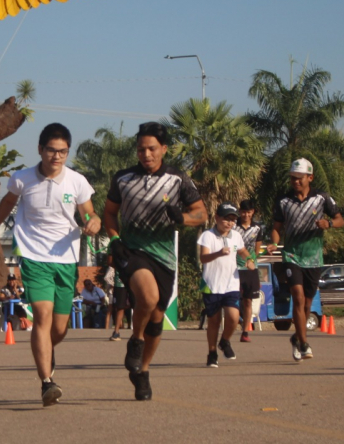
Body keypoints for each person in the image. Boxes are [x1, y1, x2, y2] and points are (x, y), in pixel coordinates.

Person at [0, 123, 99, 406]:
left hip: (67, 260)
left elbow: (89, 212)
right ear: (40, 150)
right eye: (51, 151)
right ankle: (47, 382)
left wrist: (93, 221)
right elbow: (7, 204)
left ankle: (47, 351)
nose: (56, 157)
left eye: (63, 152)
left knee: (59, 329)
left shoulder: (77, 181)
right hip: (34, 258)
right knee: (42, 318)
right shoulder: (22, 179)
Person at [104, 122, 207, 400]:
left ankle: (143, 371)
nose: (146, 154)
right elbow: (110, 214)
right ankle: (135, 340)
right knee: (147, 299)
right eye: (140, 149)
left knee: (158, 317)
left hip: (165, 256)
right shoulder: (123, 179)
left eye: (151, 149)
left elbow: (201, 215)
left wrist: (182, 218)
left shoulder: (178, 179)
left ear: (163, 149)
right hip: (133, 250)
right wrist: (114, 239)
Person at [267, 158, 344, 362]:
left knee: (308, 304)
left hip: (314, 257)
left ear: (310, 177)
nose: (295, 182)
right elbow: (277, 227)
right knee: (298, 298)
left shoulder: (321, 198)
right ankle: (304, 344)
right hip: (292, 256)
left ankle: (296, 338)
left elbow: (340, 220)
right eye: (292, 178)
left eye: (299, 178)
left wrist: (328, 223)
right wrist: (274, 242)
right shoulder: (283, 200)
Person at [199, 203, 257, 367]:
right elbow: (203, 258)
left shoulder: (236, 236)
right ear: (217, 218)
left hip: (231, 283)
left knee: (233, 317)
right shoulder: (207, 236)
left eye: (233, 220)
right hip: (211, 284)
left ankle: (224, 341)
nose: (230, 223)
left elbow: (242, 251)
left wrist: (249, 260)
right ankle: (212, 353)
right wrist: (218, 253)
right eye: (226, 219)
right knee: (214, 321)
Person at [234, 199, 263, 343]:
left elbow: (257, 251)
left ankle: (245, 331)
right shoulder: (233, 226)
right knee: (232, 298)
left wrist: (252, 260)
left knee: (248, 301)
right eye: (243, 212)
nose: (246, 214)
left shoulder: (257, 228)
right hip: (234, 268)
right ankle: (233, 323)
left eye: (249, 212)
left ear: (253, 212)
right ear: (240, 212)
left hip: (250, 269)